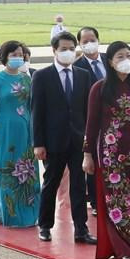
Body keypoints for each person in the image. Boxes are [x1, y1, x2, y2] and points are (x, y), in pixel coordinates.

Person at [82, 41, 130, 259]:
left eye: (128, 55)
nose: (126, 60)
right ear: (110, 63)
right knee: (116, 198)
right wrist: (87, 155)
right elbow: (91, 125)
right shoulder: (100, 89)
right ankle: (124, 247)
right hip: (111, 153)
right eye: (120, 57)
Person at [32, 31, 97, 245]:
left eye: (71, 48)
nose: (68, 52)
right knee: (51, 183)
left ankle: (81, 229)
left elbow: (88, 110)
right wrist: (38, 143)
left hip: (78, 140)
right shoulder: (42, 76)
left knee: (79, 186)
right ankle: (45, 225)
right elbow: (37, 112)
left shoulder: (82, 75)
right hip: (53, 141)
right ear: (54, 51)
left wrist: (89, 140)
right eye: (63, 49)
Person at [0, 40, 40, 227]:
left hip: (26, 128)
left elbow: (32, 106)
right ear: (5, 57)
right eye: (13, 54)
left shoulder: (26, 78)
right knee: (7, 169)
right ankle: (9, 213)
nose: (18, 57)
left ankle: (30, 212)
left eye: (20, 54)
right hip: (5, 128)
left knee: (28, 170)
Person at [74, 26, 106, 216]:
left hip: (113, 120)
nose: (89, 43)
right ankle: (94, 201)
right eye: (84, 41)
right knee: (92, 160)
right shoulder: (78, 67)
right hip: (90, 120)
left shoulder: (110, 61)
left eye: (92, 39)